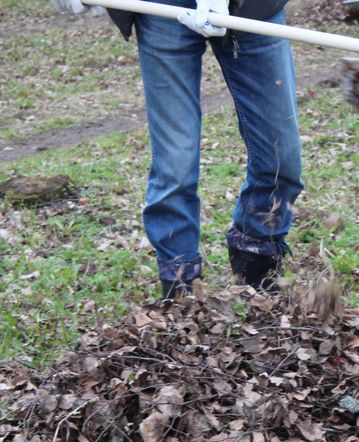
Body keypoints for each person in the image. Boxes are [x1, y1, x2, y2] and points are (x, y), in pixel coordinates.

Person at [51, 0, 303, 298]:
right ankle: (181, 291)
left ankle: (258, 256)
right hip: (164, 9)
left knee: (281, 155)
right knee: (176, 164)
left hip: (252, 8)